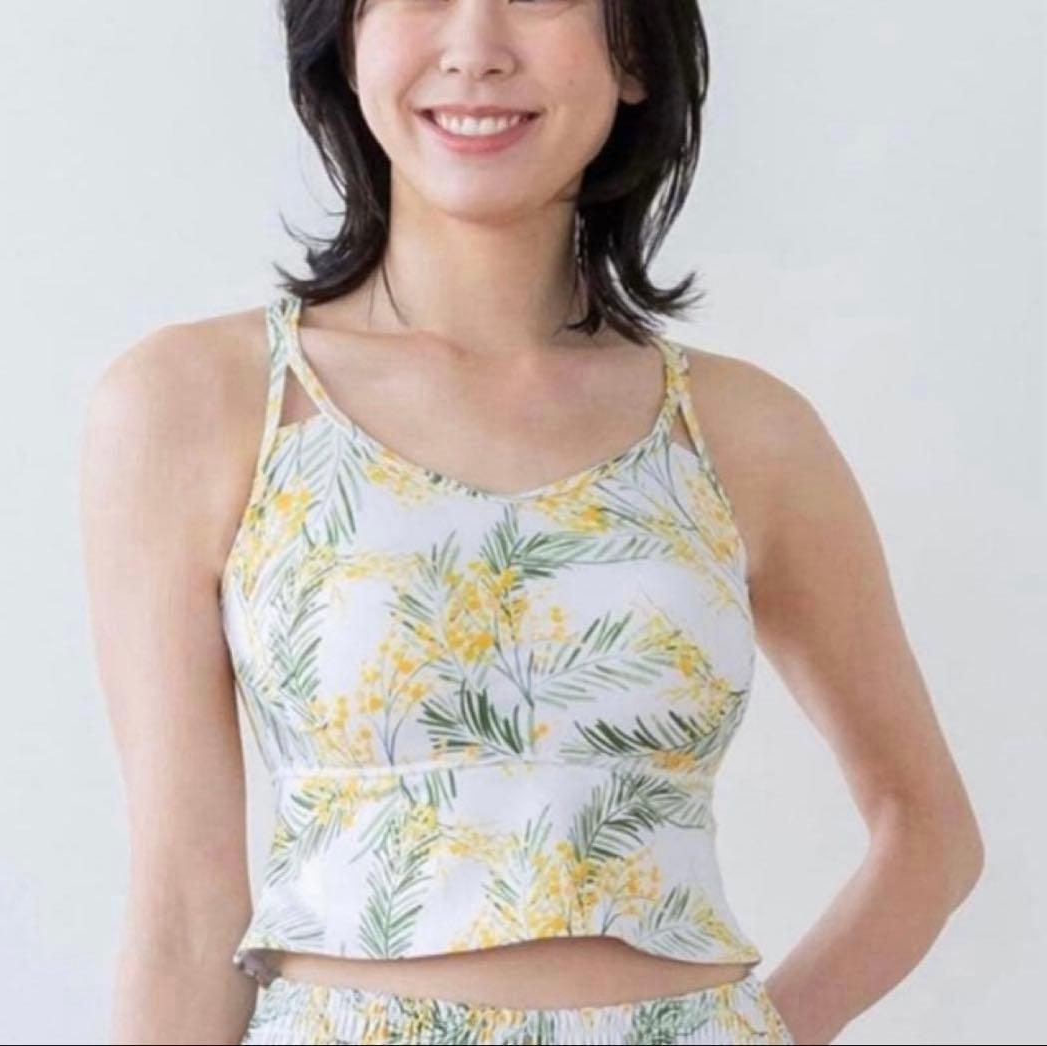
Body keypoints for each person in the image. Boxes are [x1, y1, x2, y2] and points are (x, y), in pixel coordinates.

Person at [80, 1, 985, 1043]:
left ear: (635, 53)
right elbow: (183, 914)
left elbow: (930, 834)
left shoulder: (745, 430)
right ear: (347, 45)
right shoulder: (199, 401)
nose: (475, 49)